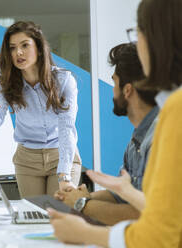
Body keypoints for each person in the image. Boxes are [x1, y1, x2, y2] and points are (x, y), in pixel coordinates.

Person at [48, 0, 182, 247]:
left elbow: (160, 234)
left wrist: (82, 226)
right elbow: (164, 212)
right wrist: (120, 191)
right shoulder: (149, 130)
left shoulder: (175, 110)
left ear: (156, 38)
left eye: (137, 33)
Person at [54, 43, 158, 225]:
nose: (112, 90)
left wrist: (81, 204)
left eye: (114, 82)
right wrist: (83, 196)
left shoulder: (159, 138)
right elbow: (121, 195)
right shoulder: (137, 140)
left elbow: (143, 215)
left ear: (127, 90)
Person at [0, 21, 82, 197]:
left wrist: (64, 174)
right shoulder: (7, 84)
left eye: (25, 45)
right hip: (27, 160)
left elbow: (67, 128)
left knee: (58, 214)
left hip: (60, 155)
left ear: (39, 48)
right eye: (12, 48)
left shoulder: (64, 80)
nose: (18, 52)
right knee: (34, 217)